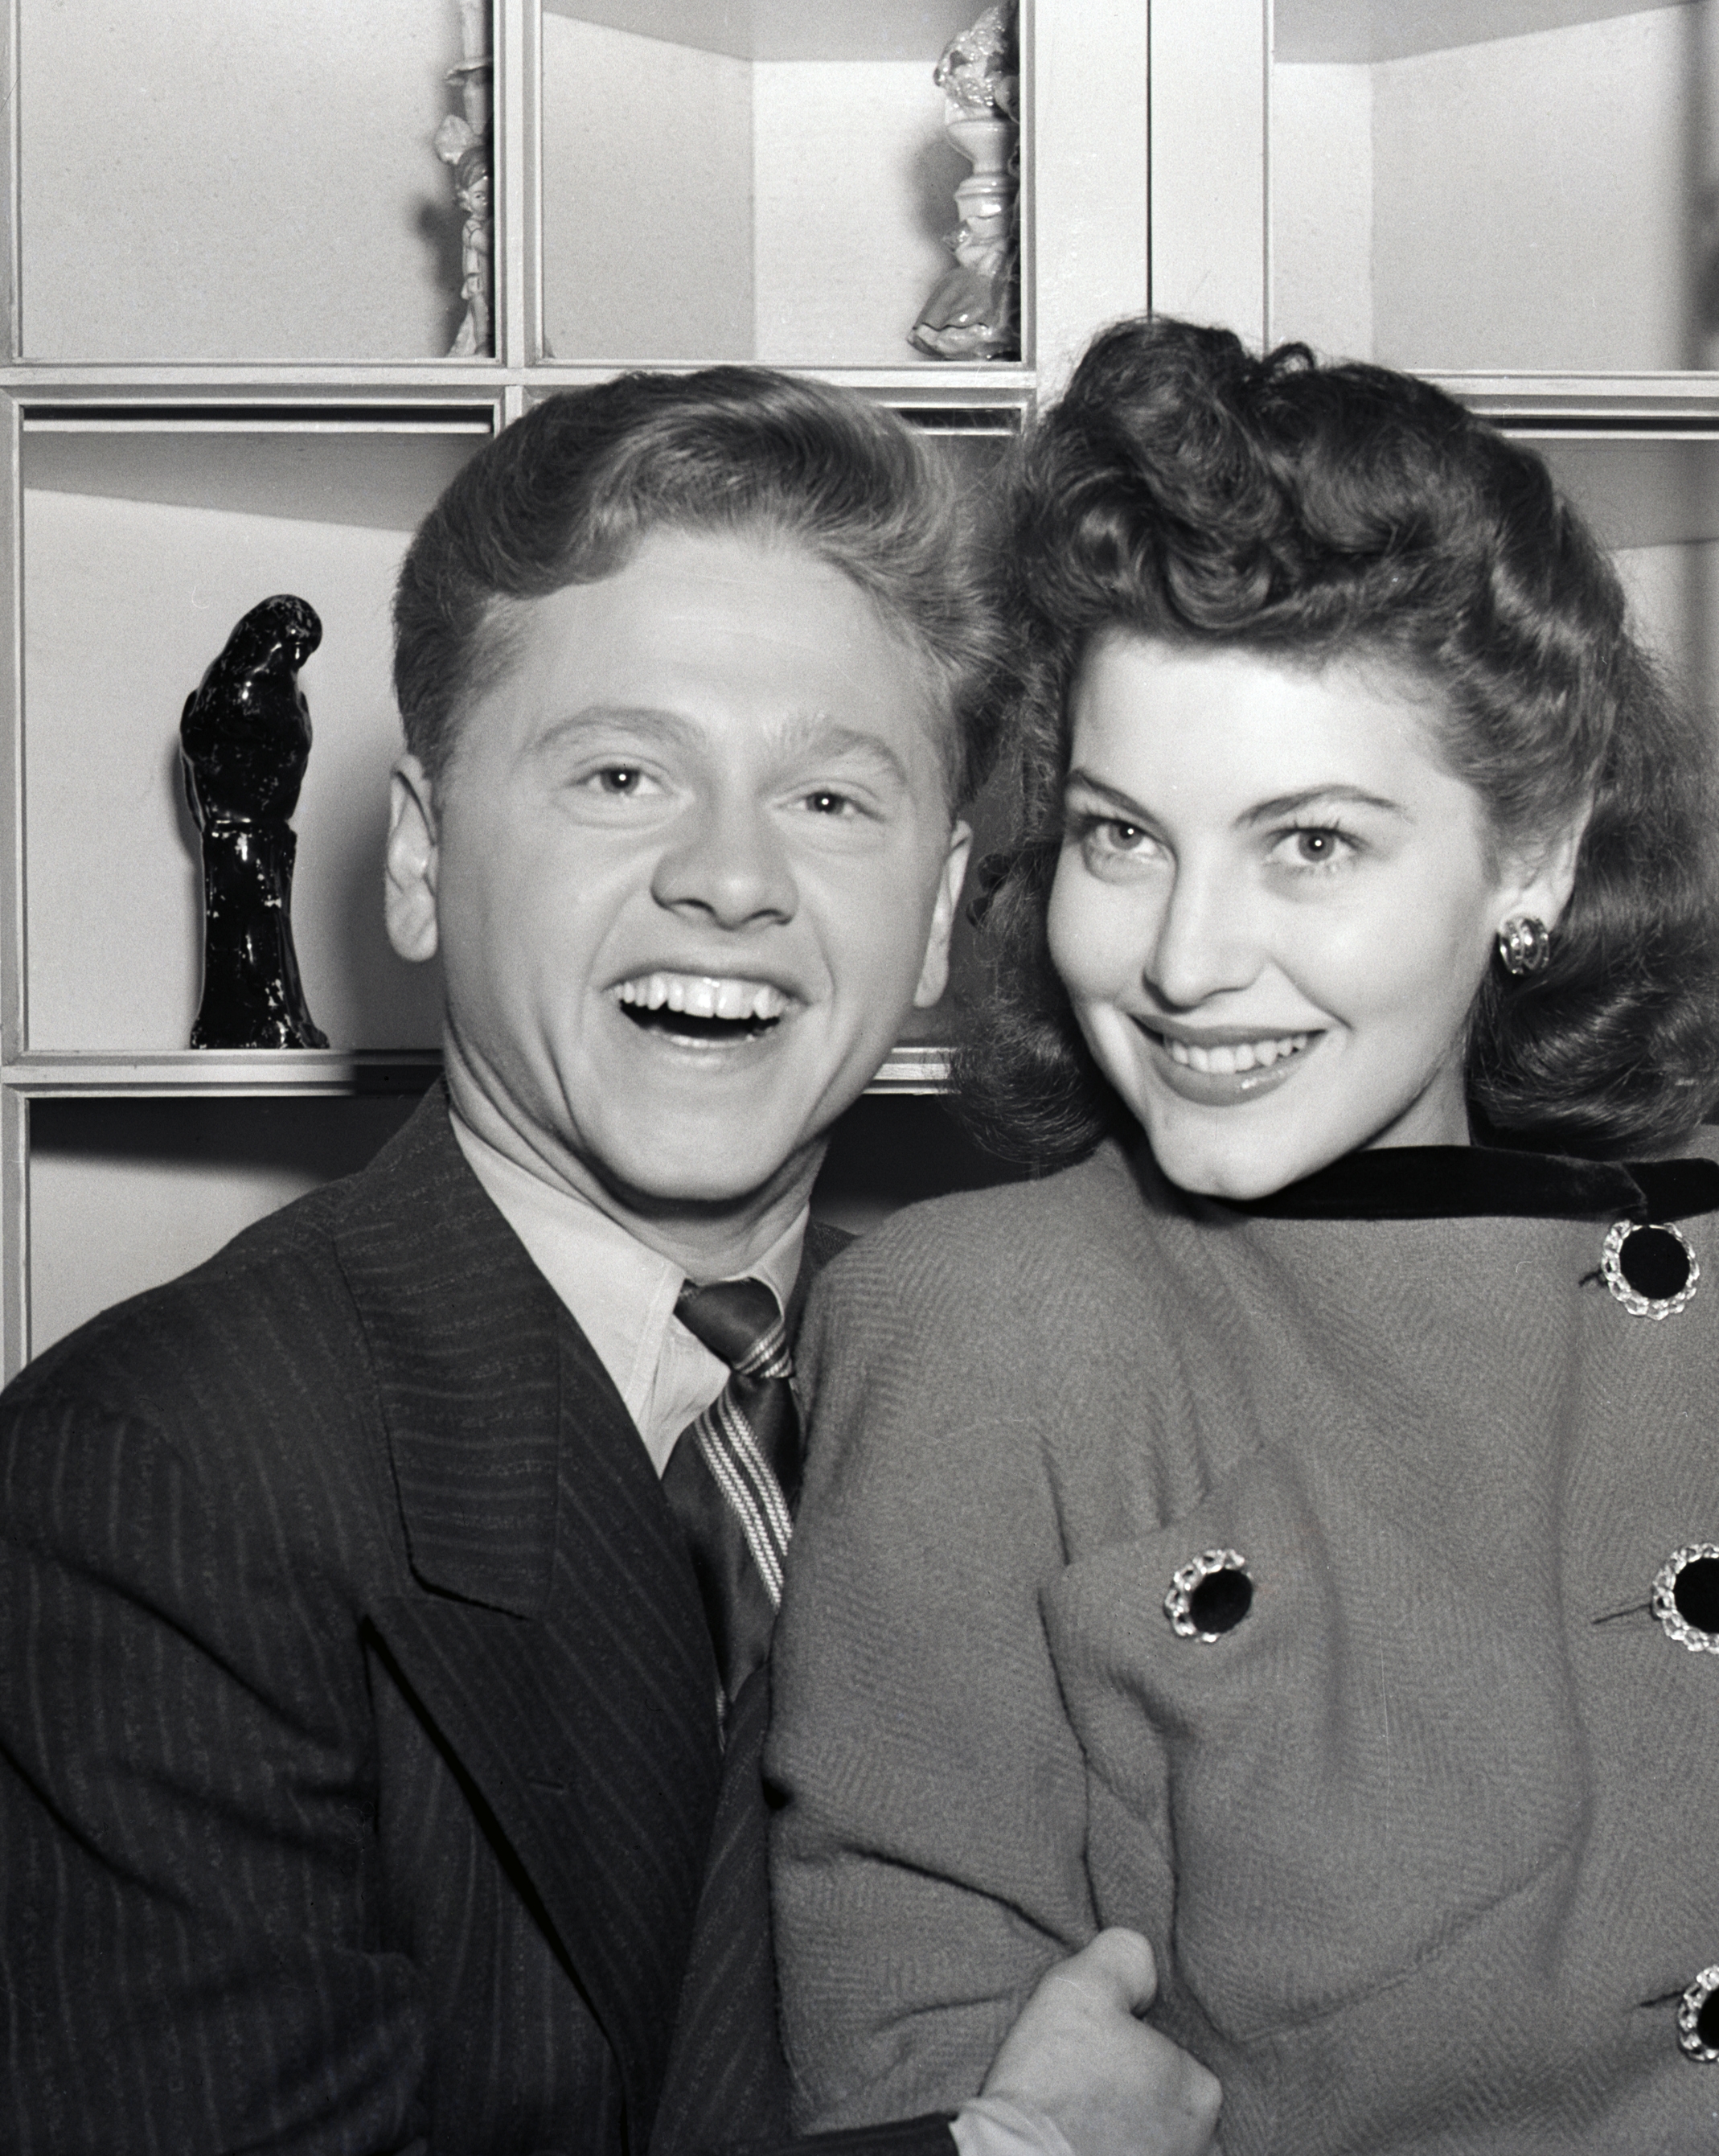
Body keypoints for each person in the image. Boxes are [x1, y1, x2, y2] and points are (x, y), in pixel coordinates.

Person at [765, 320, 1719, 2151]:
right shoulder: (969, 1327)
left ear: (1539, 848)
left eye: (1312, 844)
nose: (1184, 957)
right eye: (1124, 835)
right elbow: (926, 2069)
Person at [0, 368, 1219, 2156]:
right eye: (622, 772)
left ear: (947, 907)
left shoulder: (1039, 1378)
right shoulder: (153, 1478)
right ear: (419, 856)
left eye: (830, 799)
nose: (730, 877)